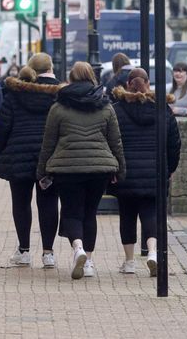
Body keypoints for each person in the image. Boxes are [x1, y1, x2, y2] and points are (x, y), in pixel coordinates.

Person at [37, 61, 125, 280]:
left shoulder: (58, 107)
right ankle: (89, 263)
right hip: (99, 168)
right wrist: (120, 169)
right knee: (89, 213)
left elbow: (48, 142)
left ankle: (78, 249)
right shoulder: (105, 105)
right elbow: (116, 141)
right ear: (92, 78)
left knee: (71, 212)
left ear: (71, 78)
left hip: (67, 168)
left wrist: (42, 171)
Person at [111, 68, 181, 276]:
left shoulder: (117, 109)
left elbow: (111, 141)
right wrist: (170, 168)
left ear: (127, 84)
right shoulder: (162, 109)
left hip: (126, 173)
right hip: (155, 172)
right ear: (148, 83)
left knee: (127, 215)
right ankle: (152, 253)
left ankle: (130, 261)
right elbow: (174, 143)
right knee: (151, 213)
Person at [0, 54, 61, 268]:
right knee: (49, 201)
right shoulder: (58, 94)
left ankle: (24, 251)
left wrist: (1, 149)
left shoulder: (15, 92)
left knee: (21, 202)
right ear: (50, 67)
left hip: (19, 153)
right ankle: (48, 253)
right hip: (49, 155)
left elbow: (3, 125)